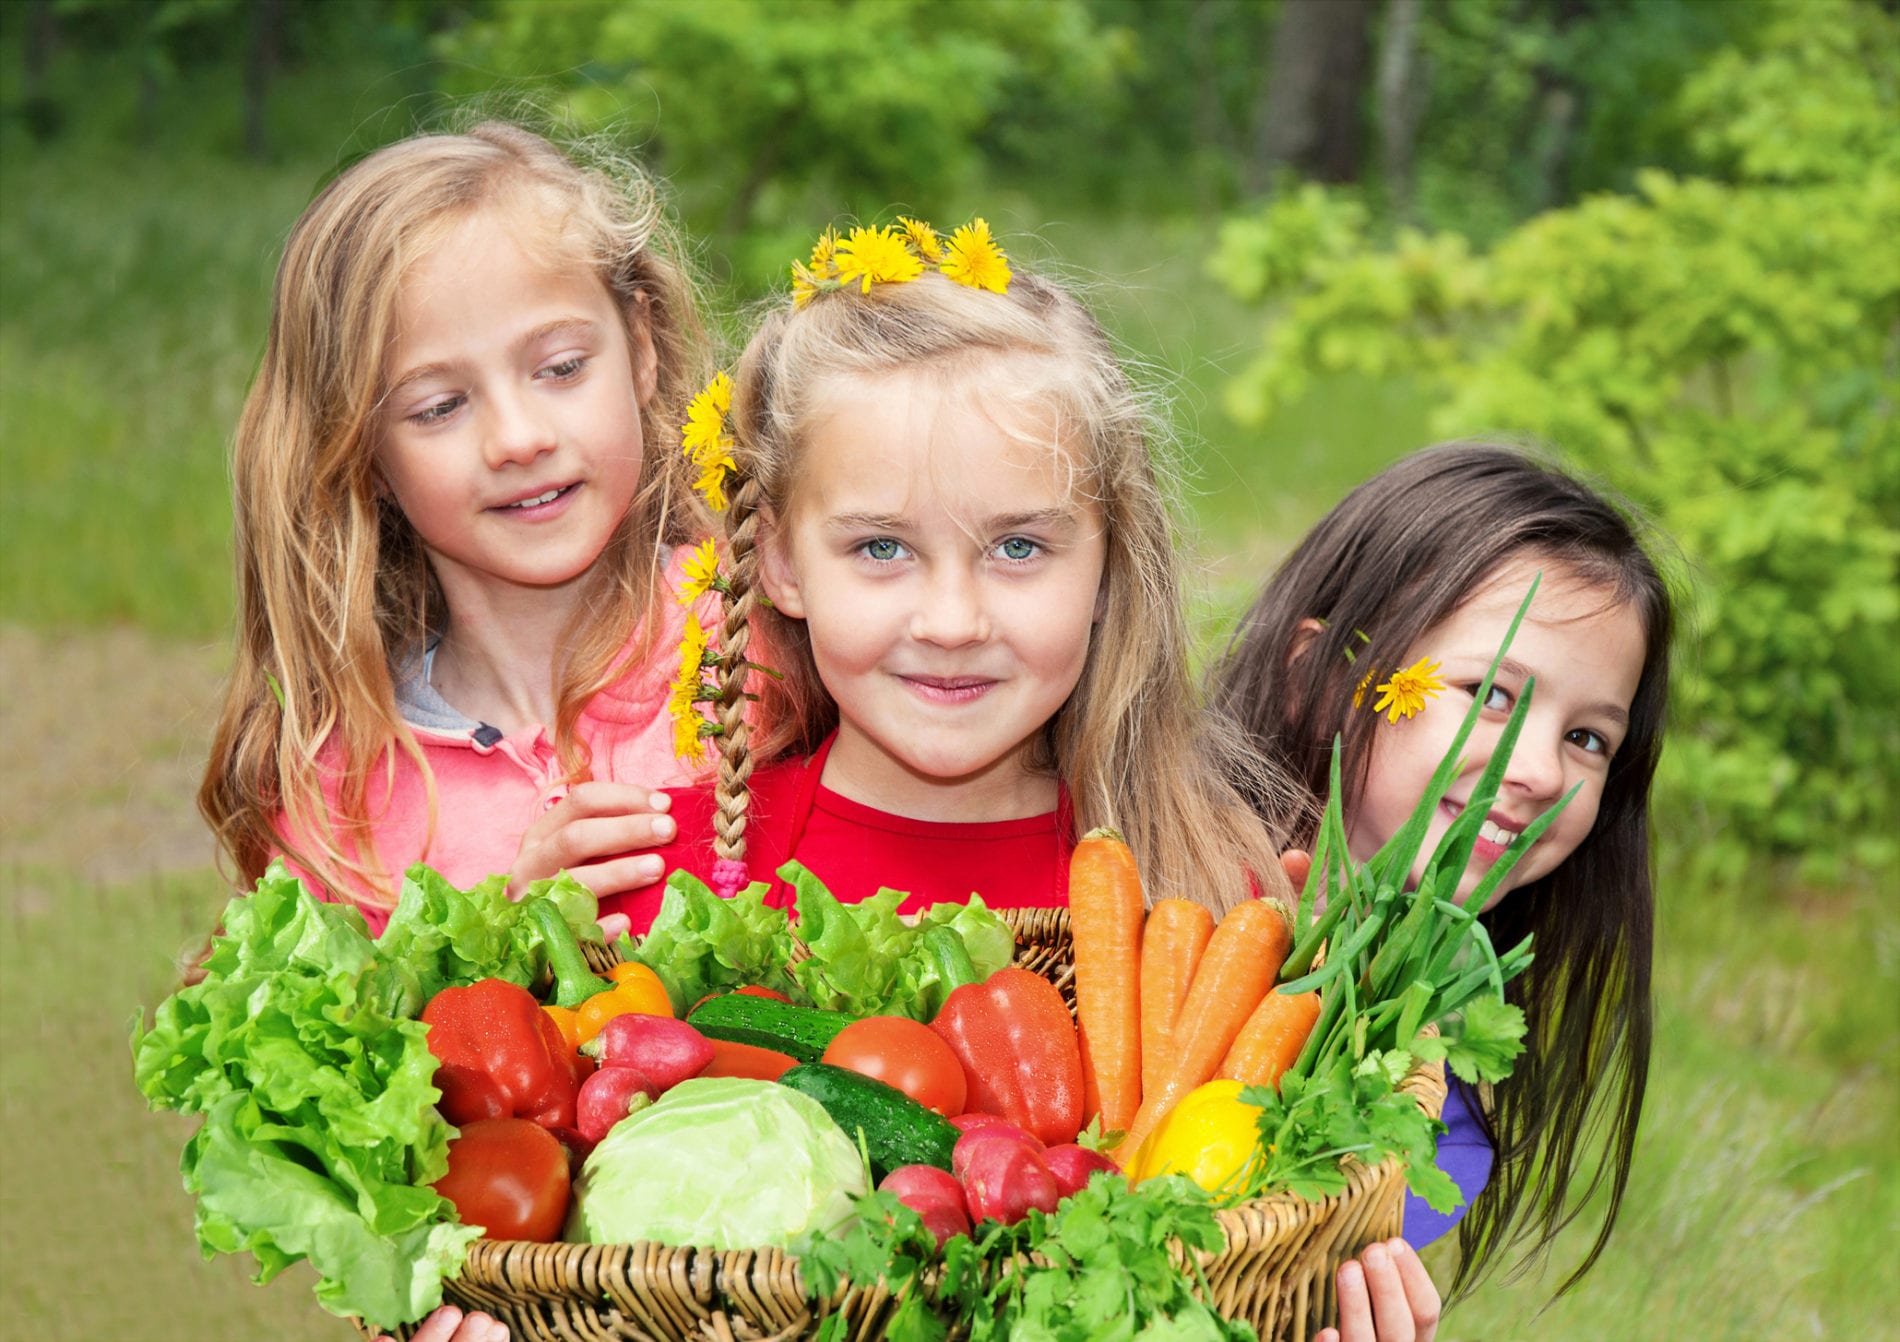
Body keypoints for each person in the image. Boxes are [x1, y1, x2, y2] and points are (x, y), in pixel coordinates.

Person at [610, 217, 1298, 931]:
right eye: (883, 548)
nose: (951, 623)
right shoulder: (659, 886)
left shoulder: (1209, 894)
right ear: (781, 563)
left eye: (1018, 548)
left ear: (1108, 570)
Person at [197, 122, 718, 949]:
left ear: (642, 348)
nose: (517, 438)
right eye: (438, 407)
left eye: (560, 367)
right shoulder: (341, 800)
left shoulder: (774, 639)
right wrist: (507, 949)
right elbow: (341, 1063)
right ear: (361, 452)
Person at [1211, 442, 1675, 1337]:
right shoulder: (1141, 872)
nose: (1537, 768)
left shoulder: (1436, 1122)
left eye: (1588, 739)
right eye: (1492, 693)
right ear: (1322, 680)